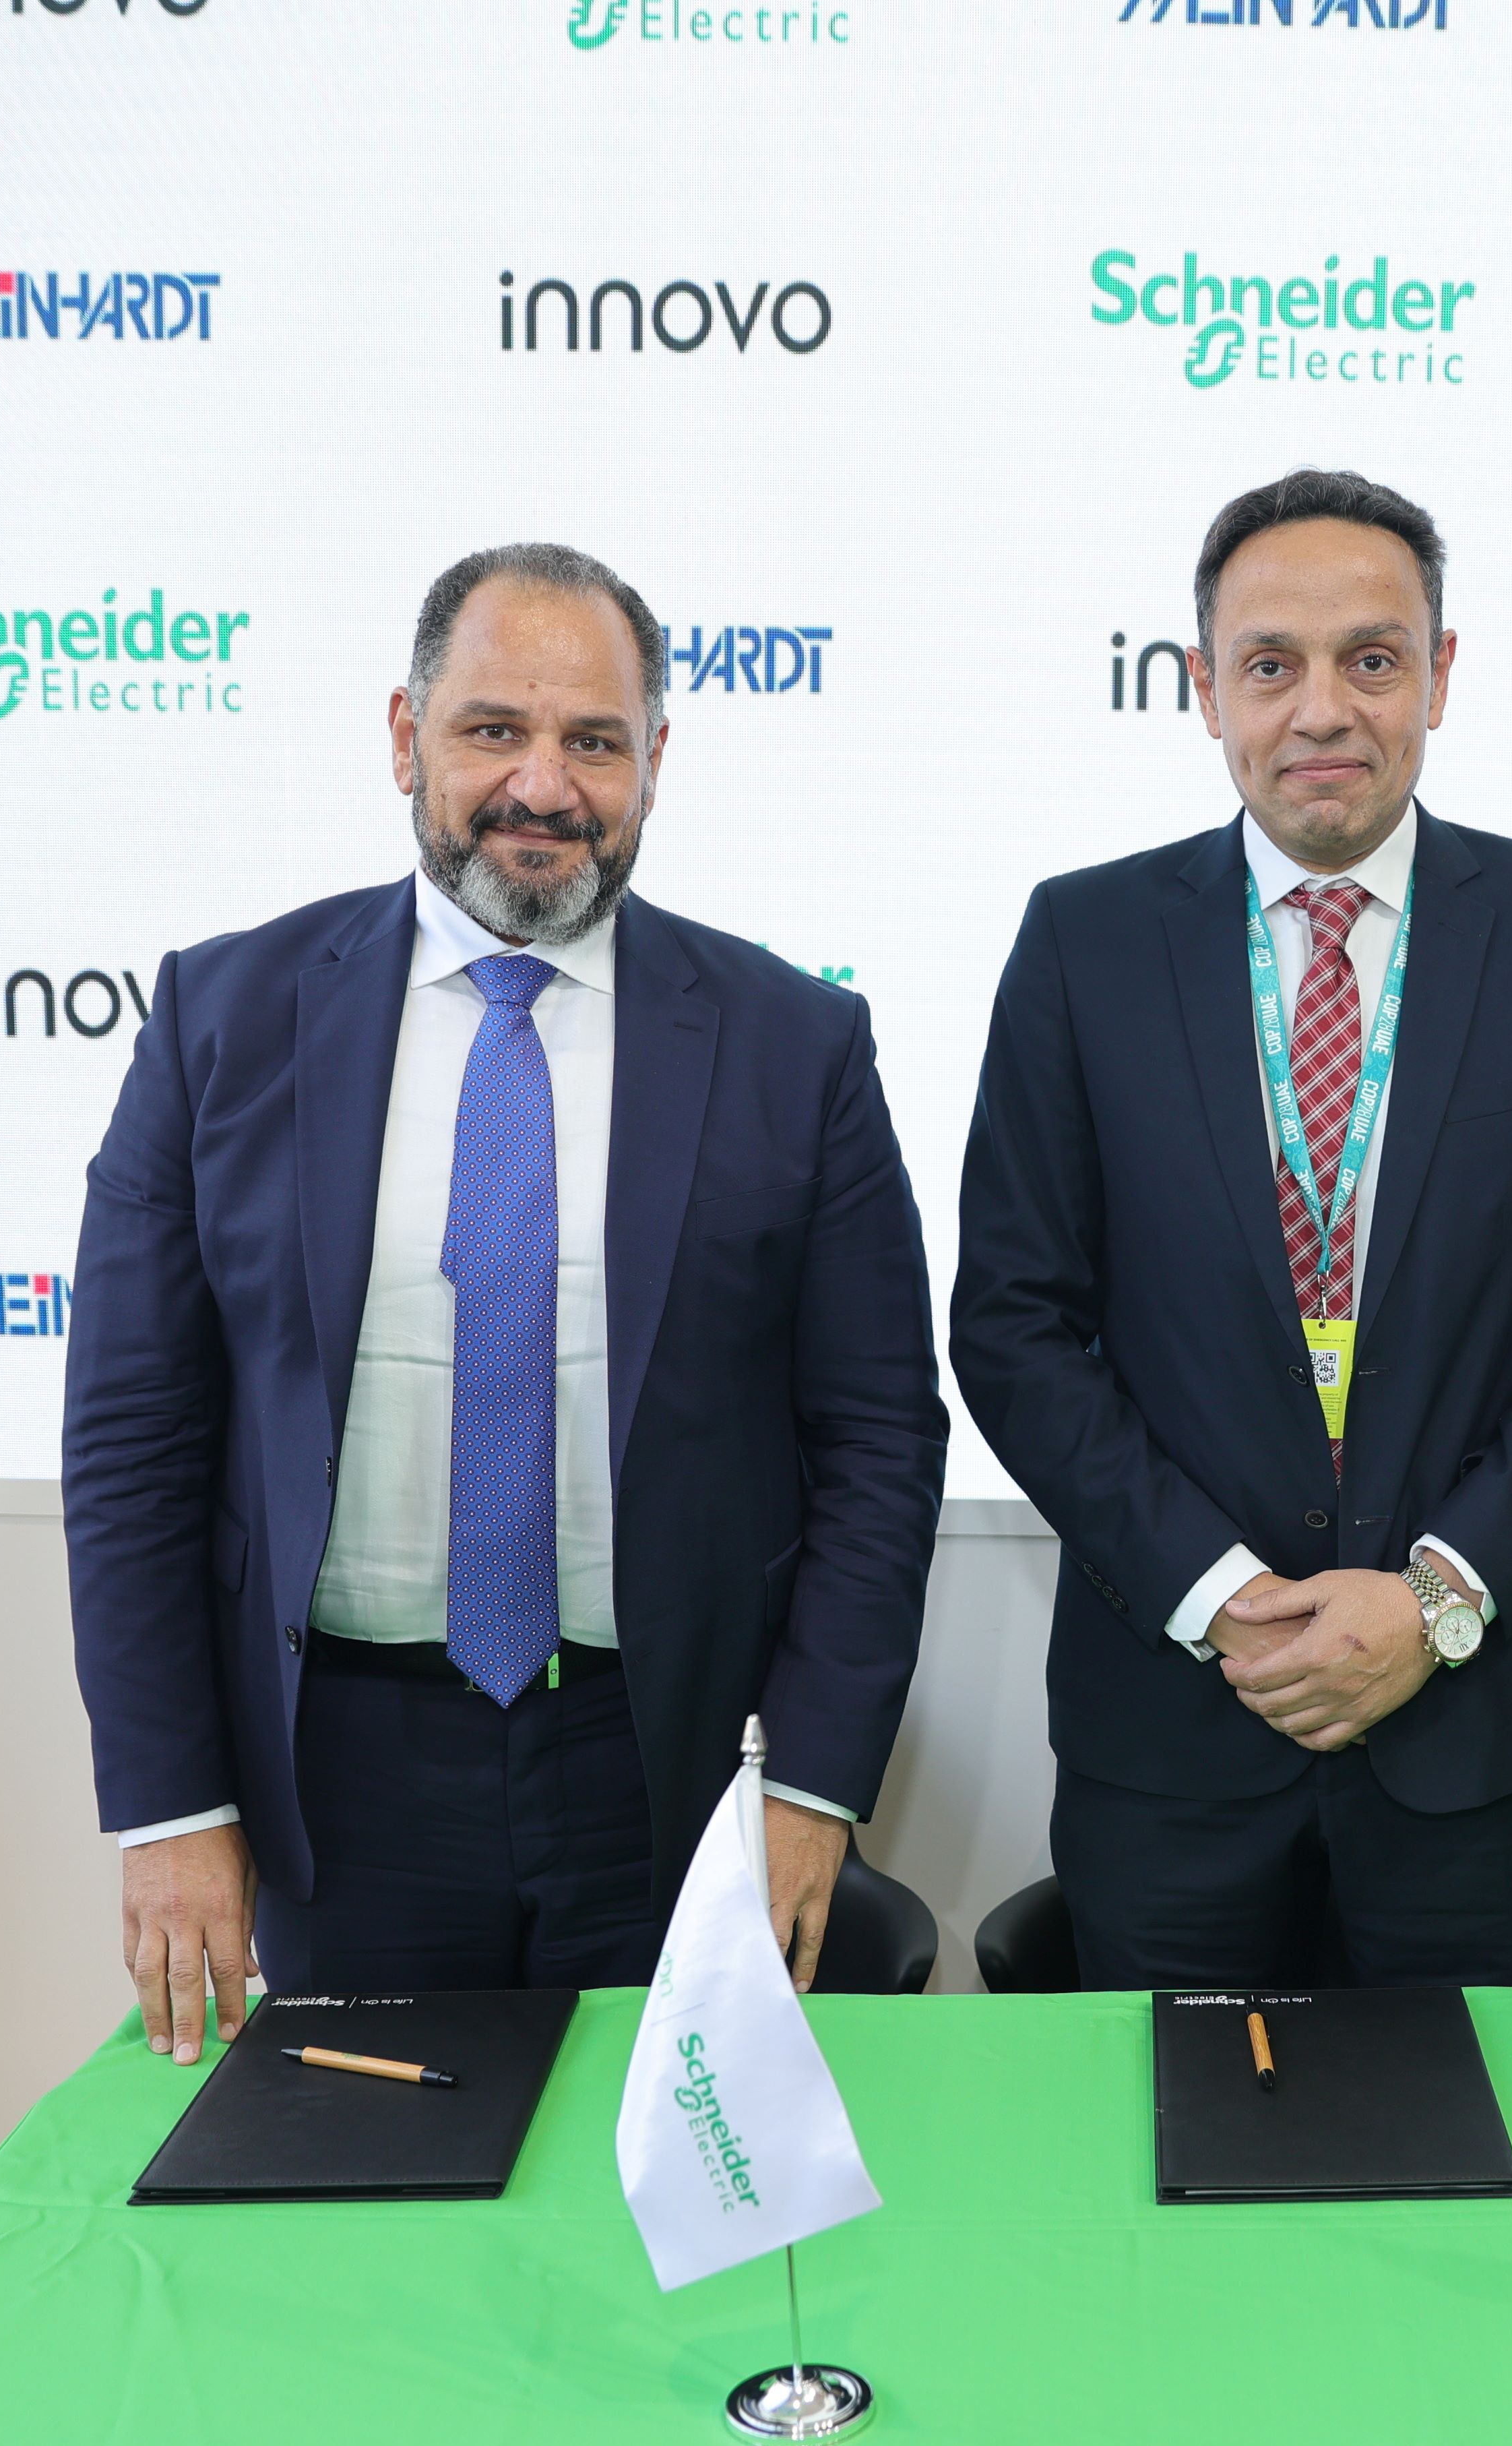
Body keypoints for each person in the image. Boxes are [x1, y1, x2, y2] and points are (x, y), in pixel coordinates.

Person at [65, 542, 947, 2059]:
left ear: (655, 760)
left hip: (673, 1774)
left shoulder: (795, 1046)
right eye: (493, 730)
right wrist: (172, 1804)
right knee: (371, 2192)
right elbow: (133, 1439)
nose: (543, 786)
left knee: (666, 2196)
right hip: (341, 1784)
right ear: (404, 736)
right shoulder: (224, 1020)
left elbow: (877, 1440)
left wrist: (811, 1787)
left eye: (593, 740)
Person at [952, 470, 1512, 1990]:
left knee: (1472, 2131)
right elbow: (1015, 1324)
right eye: (1270, 664)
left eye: (1371, 659)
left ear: (1440, 674)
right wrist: (1221, 1597)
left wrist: (1436, 1597)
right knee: (1174, 2134)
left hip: (1478, 1737)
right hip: (1174, 1734)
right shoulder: (1085, 943)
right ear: (1202, 688)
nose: (1322, 711)